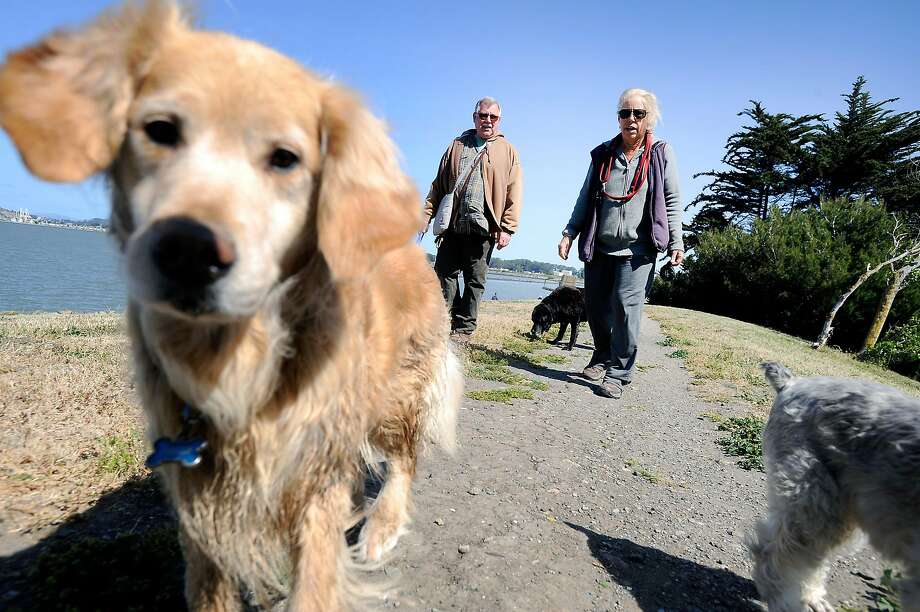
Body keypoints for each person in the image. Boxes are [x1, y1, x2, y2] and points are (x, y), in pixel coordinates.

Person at [558, 88, 684, 399]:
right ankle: (601, 356)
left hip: (638, 250)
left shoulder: (660, 154)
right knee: (597, 307)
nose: (630, 119)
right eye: (624, 113)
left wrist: (676, 241)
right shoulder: (603, 154)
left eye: (638, 114)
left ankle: (619, 372)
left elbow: (671, 200)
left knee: (627, 310)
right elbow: (585, 196)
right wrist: (569, 231)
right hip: (600, 247)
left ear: (648, 119)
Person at [424, 97, 523, 343]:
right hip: (454, 224)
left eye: (493, 117)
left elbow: (514, 191)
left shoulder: (508, 150)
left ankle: (465, 328)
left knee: (474, 280)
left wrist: (508, 227)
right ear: (474, 117)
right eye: (483, 115)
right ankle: (446, 320)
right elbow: (438, 184)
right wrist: (426, 214)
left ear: (499, 120)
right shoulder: (457, 145)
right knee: (443, 273)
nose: (487, 120)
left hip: (484, 227)